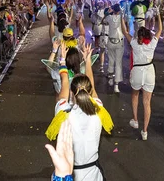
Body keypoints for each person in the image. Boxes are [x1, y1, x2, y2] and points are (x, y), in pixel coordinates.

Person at [45, 43, 113, 181]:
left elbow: (64, 81)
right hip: (94, 175)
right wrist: (87, 60)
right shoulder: (98, 110)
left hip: (69, 174)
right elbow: (91, 85)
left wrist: (62, 61)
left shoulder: (64, 112)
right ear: (90, 92)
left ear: (71, 93)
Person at [124, 11, 163, 140]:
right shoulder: (152, 44)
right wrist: (158, 16)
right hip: (149, 72)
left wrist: (121, 19)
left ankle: (135, 120)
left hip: (137, 72)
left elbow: (125, 32)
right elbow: (160, 29)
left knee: (135, 95)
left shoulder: (134, 43)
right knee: (147, 102)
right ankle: (145, 131)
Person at [104, 4, 124, 94]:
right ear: (119, 10)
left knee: (111, 61)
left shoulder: (109, 17)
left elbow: (103, 21)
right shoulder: (122, 17)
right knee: (118, 63)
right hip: (119, 42)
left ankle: (111, 79)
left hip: (110, 41)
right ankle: (116, 85)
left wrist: (108, 13)